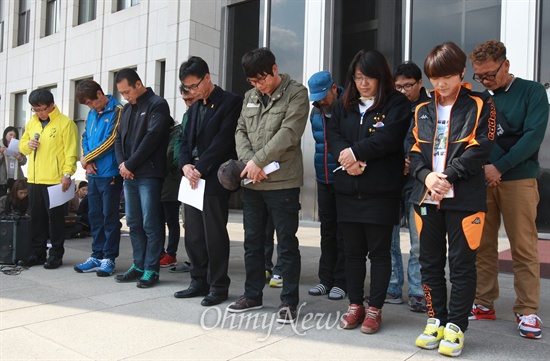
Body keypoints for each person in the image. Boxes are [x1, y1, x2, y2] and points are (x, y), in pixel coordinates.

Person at [410, 41, 496, 357]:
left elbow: (483, 146)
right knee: (429, 263)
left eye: (447, 76)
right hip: (428, 197)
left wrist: (447, 176)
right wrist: (427, 178)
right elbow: (415, 149)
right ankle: (436, 319)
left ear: (461, 73)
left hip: (464, 198)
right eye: (435, 77)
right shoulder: (421, 109)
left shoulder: (481, 102)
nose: (441, 84)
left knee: (461, 265)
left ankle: (456, 326)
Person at [468, 40, 549, 340]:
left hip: (519, 178)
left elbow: (533, 137)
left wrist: (498, 167)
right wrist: (485, 170)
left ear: (507, 65)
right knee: (482, 245)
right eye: (480, 76)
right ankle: (483, 302)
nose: (486, 80)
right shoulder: (480, 99)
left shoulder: (532, 92)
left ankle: (527, 310)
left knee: (524, 246)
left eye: (490, 74)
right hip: (483, 179)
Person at [326, 49, 410, 335]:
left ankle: (374, 309)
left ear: (381, 77)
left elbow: (389, 139)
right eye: (358, 77)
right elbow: (333, 135)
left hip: (380, 191)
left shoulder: (396, 103)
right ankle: (355, 306)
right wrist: (345, 158)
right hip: (348, 190)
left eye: (369, 78)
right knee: (352, 253)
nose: (363, 84)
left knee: (379, 254)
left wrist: (355, 152)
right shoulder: (344, 104)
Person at [229, 48, 309, 324]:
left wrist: (258, 162)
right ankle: (252, 294)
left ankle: (289, 301)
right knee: (252, 243)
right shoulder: (249, 97)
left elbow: (289, 133)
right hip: (253, 183)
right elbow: (240, 130)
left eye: (262, 79)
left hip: (283, 182)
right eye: (252, 81)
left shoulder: (297, 93)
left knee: (286, 244)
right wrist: (250, 163)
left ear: (274, 69)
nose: (258, 85)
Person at [174, 56, 242, 307]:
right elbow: (183, 141)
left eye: (195, 85)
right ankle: (198, 280)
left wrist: (200, 168)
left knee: (214, 233)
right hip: (191, 178)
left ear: (207, 77)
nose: (192, 91)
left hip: (213, 178)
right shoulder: (193, 108)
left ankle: (218, 285)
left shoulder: (230, 102)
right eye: (187, 88)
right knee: (192, 233)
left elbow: (224, 142)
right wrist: (185, 166)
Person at [113, 68, 171, 288]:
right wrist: (122, 165)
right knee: (134, 222)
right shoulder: (127, 109)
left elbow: (152, 138)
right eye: (122, 93)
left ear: (138, 84)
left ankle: (151, 269)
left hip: (148, 174)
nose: (125, 96)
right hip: (129, 175)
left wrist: (130, 164)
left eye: (127, 91)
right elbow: (118, 139)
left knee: (151, 222)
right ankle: (138, 265)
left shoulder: (157, 104)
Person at [385, 61, 431, 311]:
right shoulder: (392, 106)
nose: (402, 91)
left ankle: (417, 291)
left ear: (420, 83)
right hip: (392, 180)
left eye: (408, 86)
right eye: (398, 87)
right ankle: (393, 286)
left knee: (418, 240)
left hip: (418, 180)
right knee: (389, 240)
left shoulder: (430, 107)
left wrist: (410, 162)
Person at [18, 88, 79, 269]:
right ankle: (37, 253)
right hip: (35, 179)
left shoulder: (66, 124)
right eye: (35, 110)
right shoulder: (32, 124)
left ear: (51, 105)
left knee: (56, 219)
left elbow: (71, 152)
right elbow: (22, 146)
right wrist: (27, 145)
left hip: (56, 180)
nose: (39, 113)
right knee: (36, 218)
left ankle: (55, 254)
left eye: (42, 109)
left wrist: (67, 174)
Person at [73, 80, 124, 277]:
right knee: (94, 216)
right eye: (87, 105)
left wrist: (88, 158)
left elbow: (111, 140)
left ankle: (109, 258)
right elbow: (84, 137)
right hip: (93, 173)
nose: (91, 107)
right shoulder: (92, 114)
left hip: (110, 172)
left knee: (109, 217)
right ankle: (97, 255)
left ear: (100, 94)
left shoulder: (118, 110)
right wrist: (86, 162)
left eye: (91, 103)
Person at [306, 70, 346, 301]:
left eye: (324, 95)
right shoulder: (315, 111)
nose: (321, 101)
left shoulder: (347, 107)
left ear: (334, 88)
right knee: (327, 231)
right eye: (317, 97)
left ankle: (342, 282)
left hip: (343, 177)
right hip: (323, 178)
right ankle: (325, 279)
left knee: (343, 233)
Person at [160, 85, 198, 270]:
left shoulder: (175, 131)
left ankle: (171, 253)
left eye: (190, 99)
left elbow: (173, 156)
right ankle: (160, 252)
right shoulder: (163, 134)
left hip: (173, 182)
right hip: (161, 182)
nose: (187, 104)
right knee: (159, 219)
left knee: (172, 220)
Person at [0, 127, 27, 197]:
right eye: (10, 135)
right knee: (2, 198)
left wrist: (20, 158)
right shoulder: (1, 146)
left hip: (16, 177)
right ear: (5, 134)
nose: (12, 137)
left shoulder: (18, 146)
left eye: (14, 136)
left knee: (14, 197)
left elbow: (24, 161)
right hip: (3, 178)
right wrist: (0, 154)